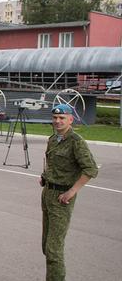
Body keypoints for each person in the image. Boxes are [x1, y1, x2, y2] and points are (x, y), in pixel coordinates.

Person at [40, 104, 98, 281]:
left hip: (62, 198)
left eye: (62, 118)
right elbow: (51, 162)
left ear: (70, 119)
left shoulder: (76, 141)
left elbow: (91, 169)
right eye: (55, 118)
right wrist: (44, 176)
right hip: (48, 193)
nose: (57, 121)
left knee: (53, 250)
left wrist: (72, 191)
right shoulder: (53, 139)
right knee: (46, 246)